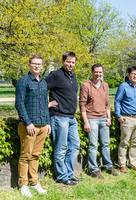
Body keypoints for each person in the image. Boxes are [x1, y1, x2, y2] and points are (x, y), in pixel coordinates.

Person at [45, 52, 82, 185]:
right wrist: (46, 104)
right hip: (59, 117)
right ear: (62, 61)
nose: (71, 64)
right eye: (68, 62)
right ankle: (62, 176)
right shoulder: (55, 75)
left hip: (71, 118)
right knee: (61, 148)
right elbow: (40, 89)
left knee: (75, 145)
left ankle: (69, 173)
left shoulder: (73, 76)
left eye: (73, 62)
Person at [15, 55, 50, 197]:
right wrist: (27, 122)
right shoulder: (23, 81)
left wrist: (47, 122)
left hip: (42, 125)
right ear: (29, 65)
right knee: (25, 156)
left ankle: (34, 182)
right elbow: (19, 104)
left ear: (42, 66)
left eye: (39, 64)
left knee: (36, 155)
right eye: (34, 64)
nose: (37, 66)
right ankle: (23, 185)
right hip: (29, 126)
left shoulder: (43, 82)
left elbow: (44, 104)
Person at [79, 63, 118, 178]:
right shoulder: (86, 85)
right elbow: (82, 105)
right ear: (92, 72)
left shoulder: (105, 85)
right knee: (93, 145)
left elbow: (107, 103)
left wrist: (109, 117)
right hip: (92, 119)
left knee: (106, 144)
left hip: (103, 119)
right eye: (96, 72)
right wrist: (86, 121)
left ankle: (108, 166)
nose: (98, 74)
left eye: (100, 72)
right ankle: (94, 169)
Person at [115, 66, 136, 173]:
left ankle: (132, 163)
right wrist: (119, 115)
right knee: (124, 142)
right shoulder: (123, 86)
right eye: (133, 74)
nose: (135, 76)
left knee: (135, 143)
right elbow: (117, 101)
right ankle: (122, 164)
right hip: (127, 118)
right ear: (128, 75)